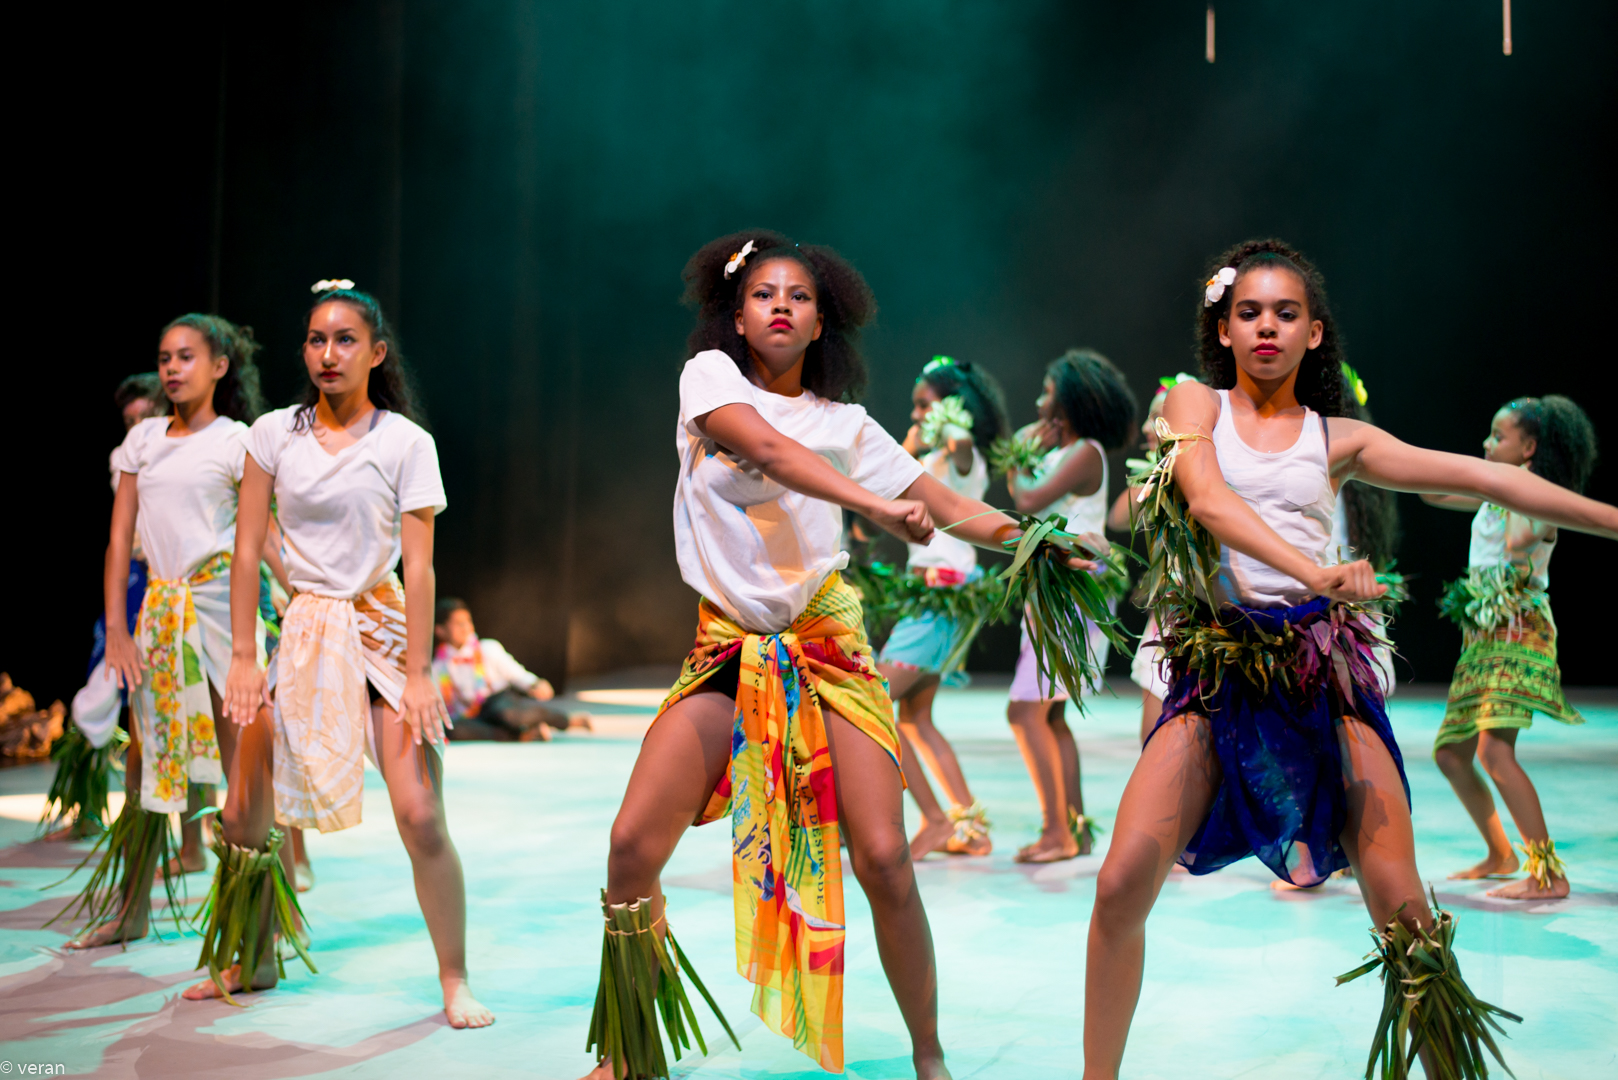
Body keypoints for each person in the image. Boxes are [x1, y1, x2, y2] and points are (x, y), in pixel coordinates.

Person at [1084, 239, 1617, 1079]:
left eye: (1285, 313)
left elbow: (1491, 480)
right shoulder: (1194, 405)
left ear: (1315, 332)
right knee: (1119, 886)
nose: (1266, 327)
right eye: (1248, 312)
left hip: (1320, 675)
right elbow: (1209, 500)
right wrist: (1314, 571)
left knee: (1406, 915)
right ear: (1223, 329)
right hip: (1219, 677)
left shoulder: (1339, 439)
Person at [581, 231, 1103, 1080]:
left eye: (800, 297)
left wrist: (1036, 541)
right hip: (728, 648)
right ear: (737, 317)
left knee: (886, 858)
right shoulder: (709, 381)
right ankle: (628, 1055)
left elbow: (940, 500)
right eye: (764, 295)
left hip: (826, 649)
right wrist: (875, 507)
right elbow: (770, 451)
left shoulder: (846, 425)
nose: (781, 307)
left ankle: (929, 1055)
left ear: (823, 322)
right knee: (632, 845)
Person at [197, 283, 492, 1029]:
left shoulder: (405, 443)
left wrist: (420, 672)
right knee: (242, 814)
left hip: (381, 633)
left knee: (420, 814)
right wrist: (243, 656)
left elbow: (420, 567)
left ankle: (454, 977)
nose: (328, 353)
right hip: (302, 634)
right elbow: (245, 550)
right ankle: (253, 956)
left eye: (345, 339)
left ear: (377, 352)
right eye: (316, 339)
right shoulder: (273, 434)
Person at [56, 316, 276, 950]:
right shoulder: (143, 440)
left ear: (220, 366)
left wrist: (288, 604)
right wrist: (117, 629)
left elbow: (259, 539)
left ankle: (254, 933)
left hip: (221, 611)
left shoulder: (239, 441)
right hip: (160, 612)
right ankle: (130, 911)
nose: (173, 369)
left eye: (186, 357)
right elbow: (119, 539)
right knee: (141, 768)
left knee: (242, 772)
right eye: (164, 358)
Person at [1426, 395, 1597, 900]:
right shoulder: (1493, 490)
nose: (1486, 443)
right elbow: (1432, 494)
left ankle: (1548, 875)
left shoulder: (1542, 496)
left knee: (1495, 752)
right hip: (1483, 633)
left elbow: (1521, 540)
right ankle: (1500, 853)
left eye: (1498, 437)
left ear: (1529, 449)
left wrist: (1515, 482)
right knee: (1451, 754)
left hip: (1520, 629)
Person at [1003, 349, 1137, 862]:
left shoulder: (1085, 451)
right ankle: (1073, 830)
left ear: (1071, 400)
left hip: (1072, 586)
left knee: (1025, 712)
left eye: (1047, 391)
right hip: (1057, 585)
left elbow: (1028, 501)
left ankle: (1057, 831)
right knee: (1049, 715)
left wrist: (1018, 459)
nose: (1039, 399)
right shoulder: (1069, 450)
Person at [876, 355, 1009, 859]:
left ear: (953, 408)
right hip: (936, 598)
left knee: (872, 704)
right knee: (915, 719)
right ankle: (970, 828)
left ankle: (934, 820)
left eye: (924, 405)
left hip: (941, 598)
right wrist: (914, 441)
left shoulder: (961, 457)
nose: (916, 415)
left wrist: (946, 425)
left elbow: (961, 443)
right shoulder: (930, 459)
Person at [48, 375, 172, 840]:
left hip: (181, 585)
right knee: (99, 691)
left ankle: (193, 830)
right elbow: (126, 536)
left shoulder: (189, 448)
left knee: (176, 705)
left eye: (146, 415)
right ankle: (86, 808)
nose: (137, 425)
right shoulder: (126, 458)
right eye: (129, 419)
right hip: (138, 582)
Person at [1107, 374, 1195, 746]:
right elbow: (1117, 517)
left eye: (1157, 418)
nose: (1146, 428)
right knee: (1153, 740)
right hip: (1166, 617)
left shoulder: (1203, 476)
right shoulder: (1158, 478)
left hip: (1198, 617)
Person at [432, 598, 582, 741]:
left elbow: (515, 672)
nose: (466, 628)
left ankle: (567, 720)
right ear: (440, 630)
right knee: (452, 729)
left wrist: (533, 684)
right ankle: (522, 735)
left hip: (498, 701)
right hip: (473, 714)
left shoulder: (487, 648)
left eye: (468, 621)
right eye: (458, 624)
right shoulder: (438, 666)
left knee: (509, 715)